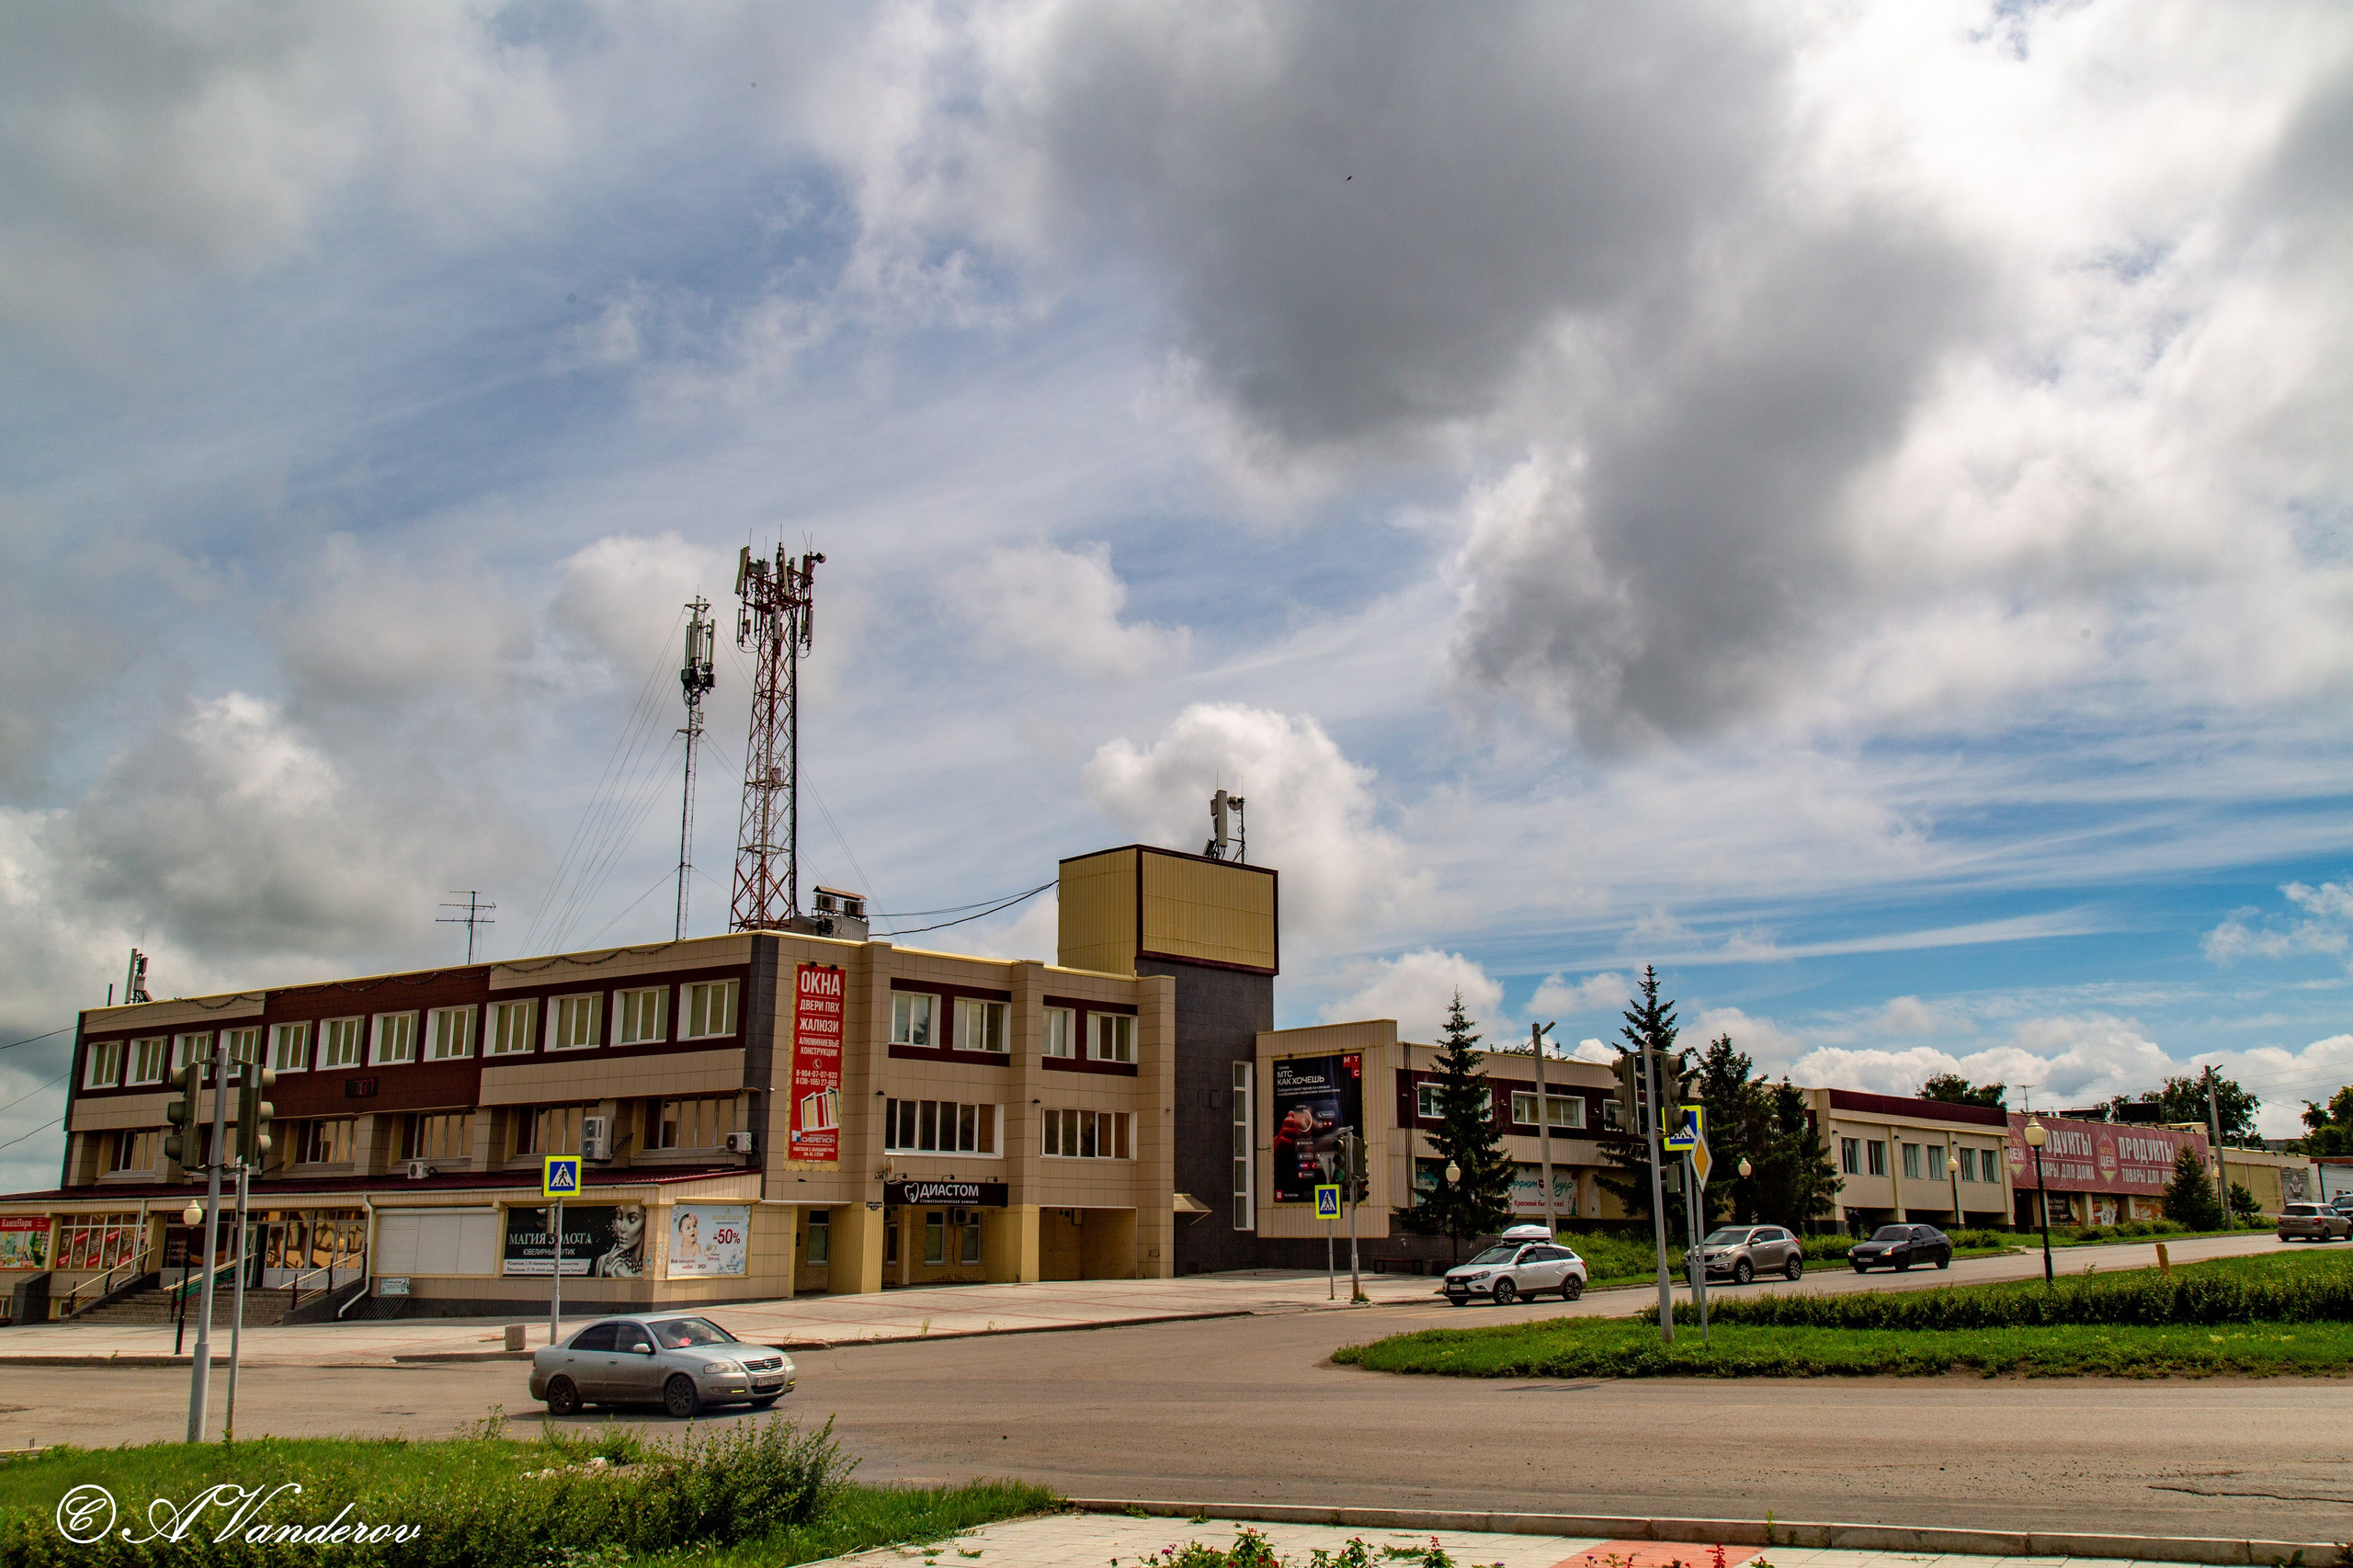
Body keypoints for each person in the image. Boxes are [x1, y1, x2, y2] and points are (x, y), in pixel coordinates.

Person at [596, 1203, 646, 1278]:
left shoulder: (651, 1269)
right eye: (620, 1217)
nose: (622, 1228)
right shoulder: (604, 1262)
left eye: (632, 1220)